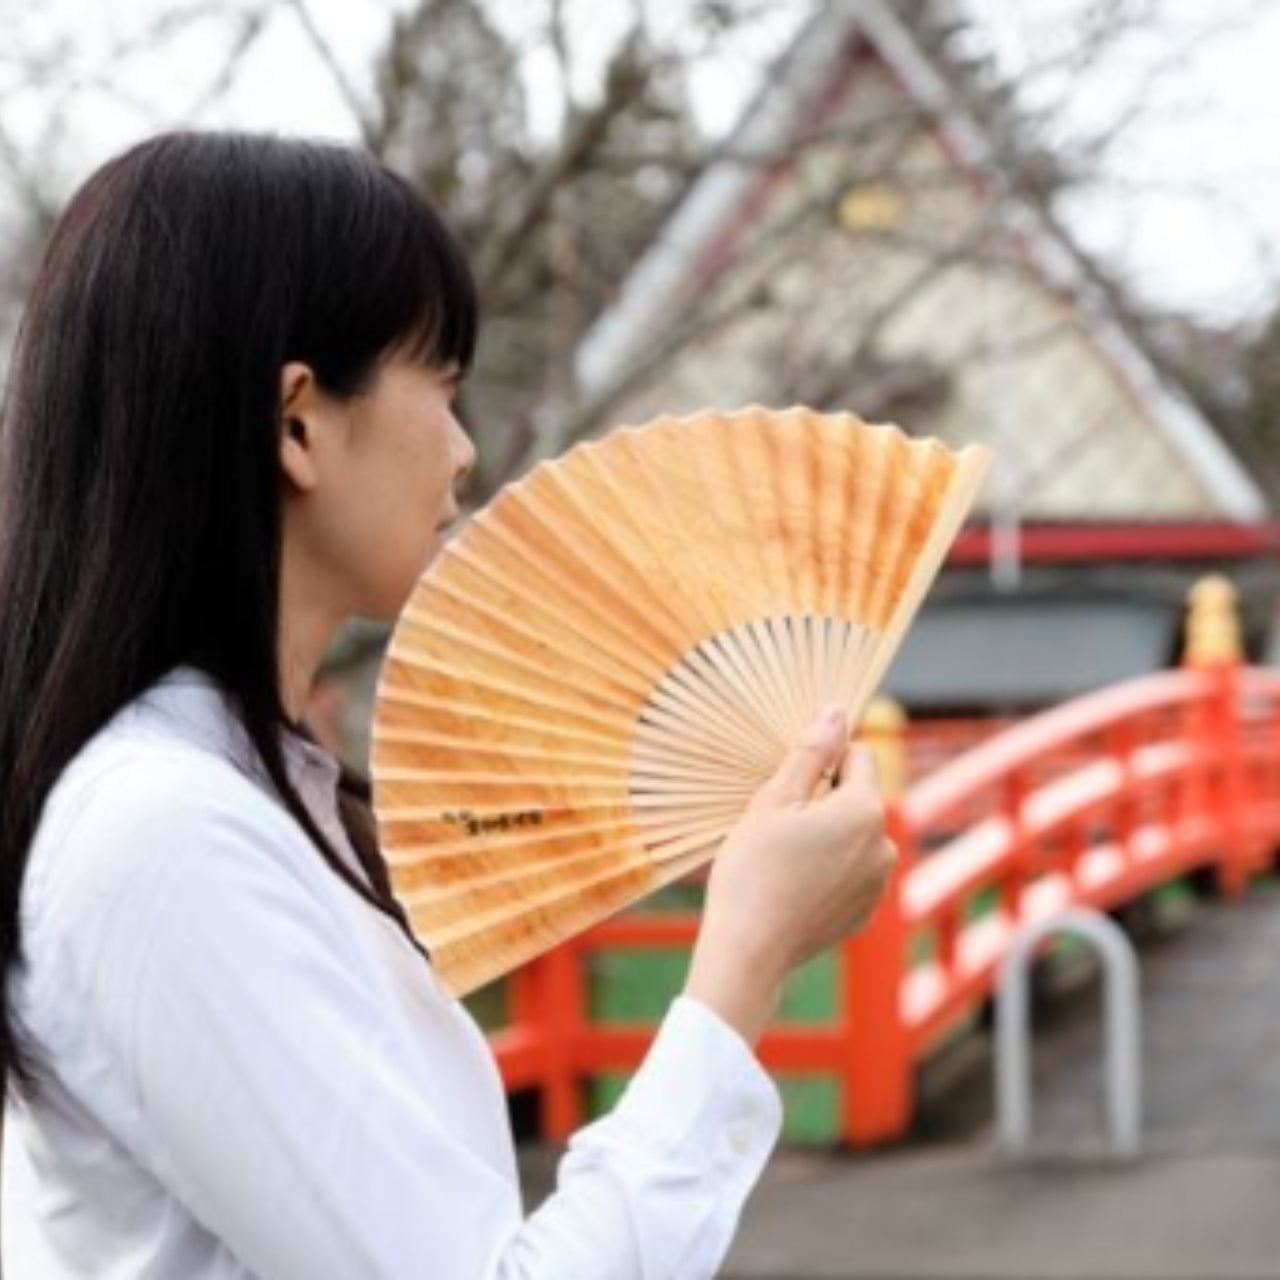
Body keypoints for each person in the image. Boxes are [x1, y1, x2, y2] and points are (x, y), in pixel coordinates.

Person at [0, 131, 896, 1279]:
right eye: (440, 383)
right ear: (297, 422)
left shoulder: (236, 794)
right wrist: (745, 957)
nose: (463, 452)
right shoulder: (160, 834)